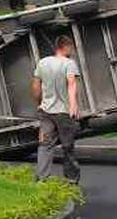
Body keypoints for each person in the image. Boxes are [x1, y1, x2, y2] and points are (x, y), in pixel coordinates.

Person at [32, 35, 81, 183]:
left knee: (45, 145)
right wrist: (73, 105)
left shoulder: (42, 62)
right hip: (63, 113)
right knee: (68, 146)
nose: (71, 50)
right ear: (65, 47)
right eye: (71, 47)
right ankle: (71, 179)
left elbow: (35, 85)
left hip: (46, 112)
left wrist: (39, 102)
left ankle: (42, 178)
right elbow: (72, 84)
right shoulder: (69, 64)